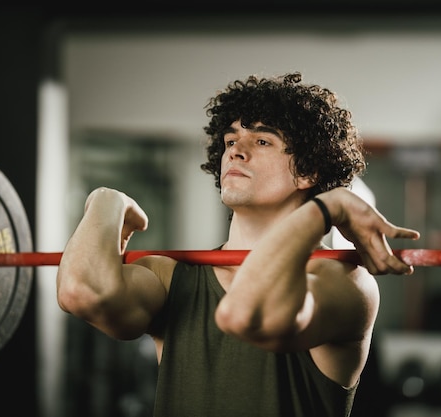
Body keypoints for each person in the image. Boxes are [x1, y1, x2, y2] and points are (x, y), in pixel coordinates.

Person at [56, 72, 420, 417]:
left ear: (308, 171)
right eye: (230, 141)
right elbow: (80, 292)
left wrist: (328, 208)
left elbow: (249, 314)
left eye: (262, 141)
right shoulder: (172, 277)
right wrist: (105, 200)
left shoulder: (344, 283)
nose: (236, 151)